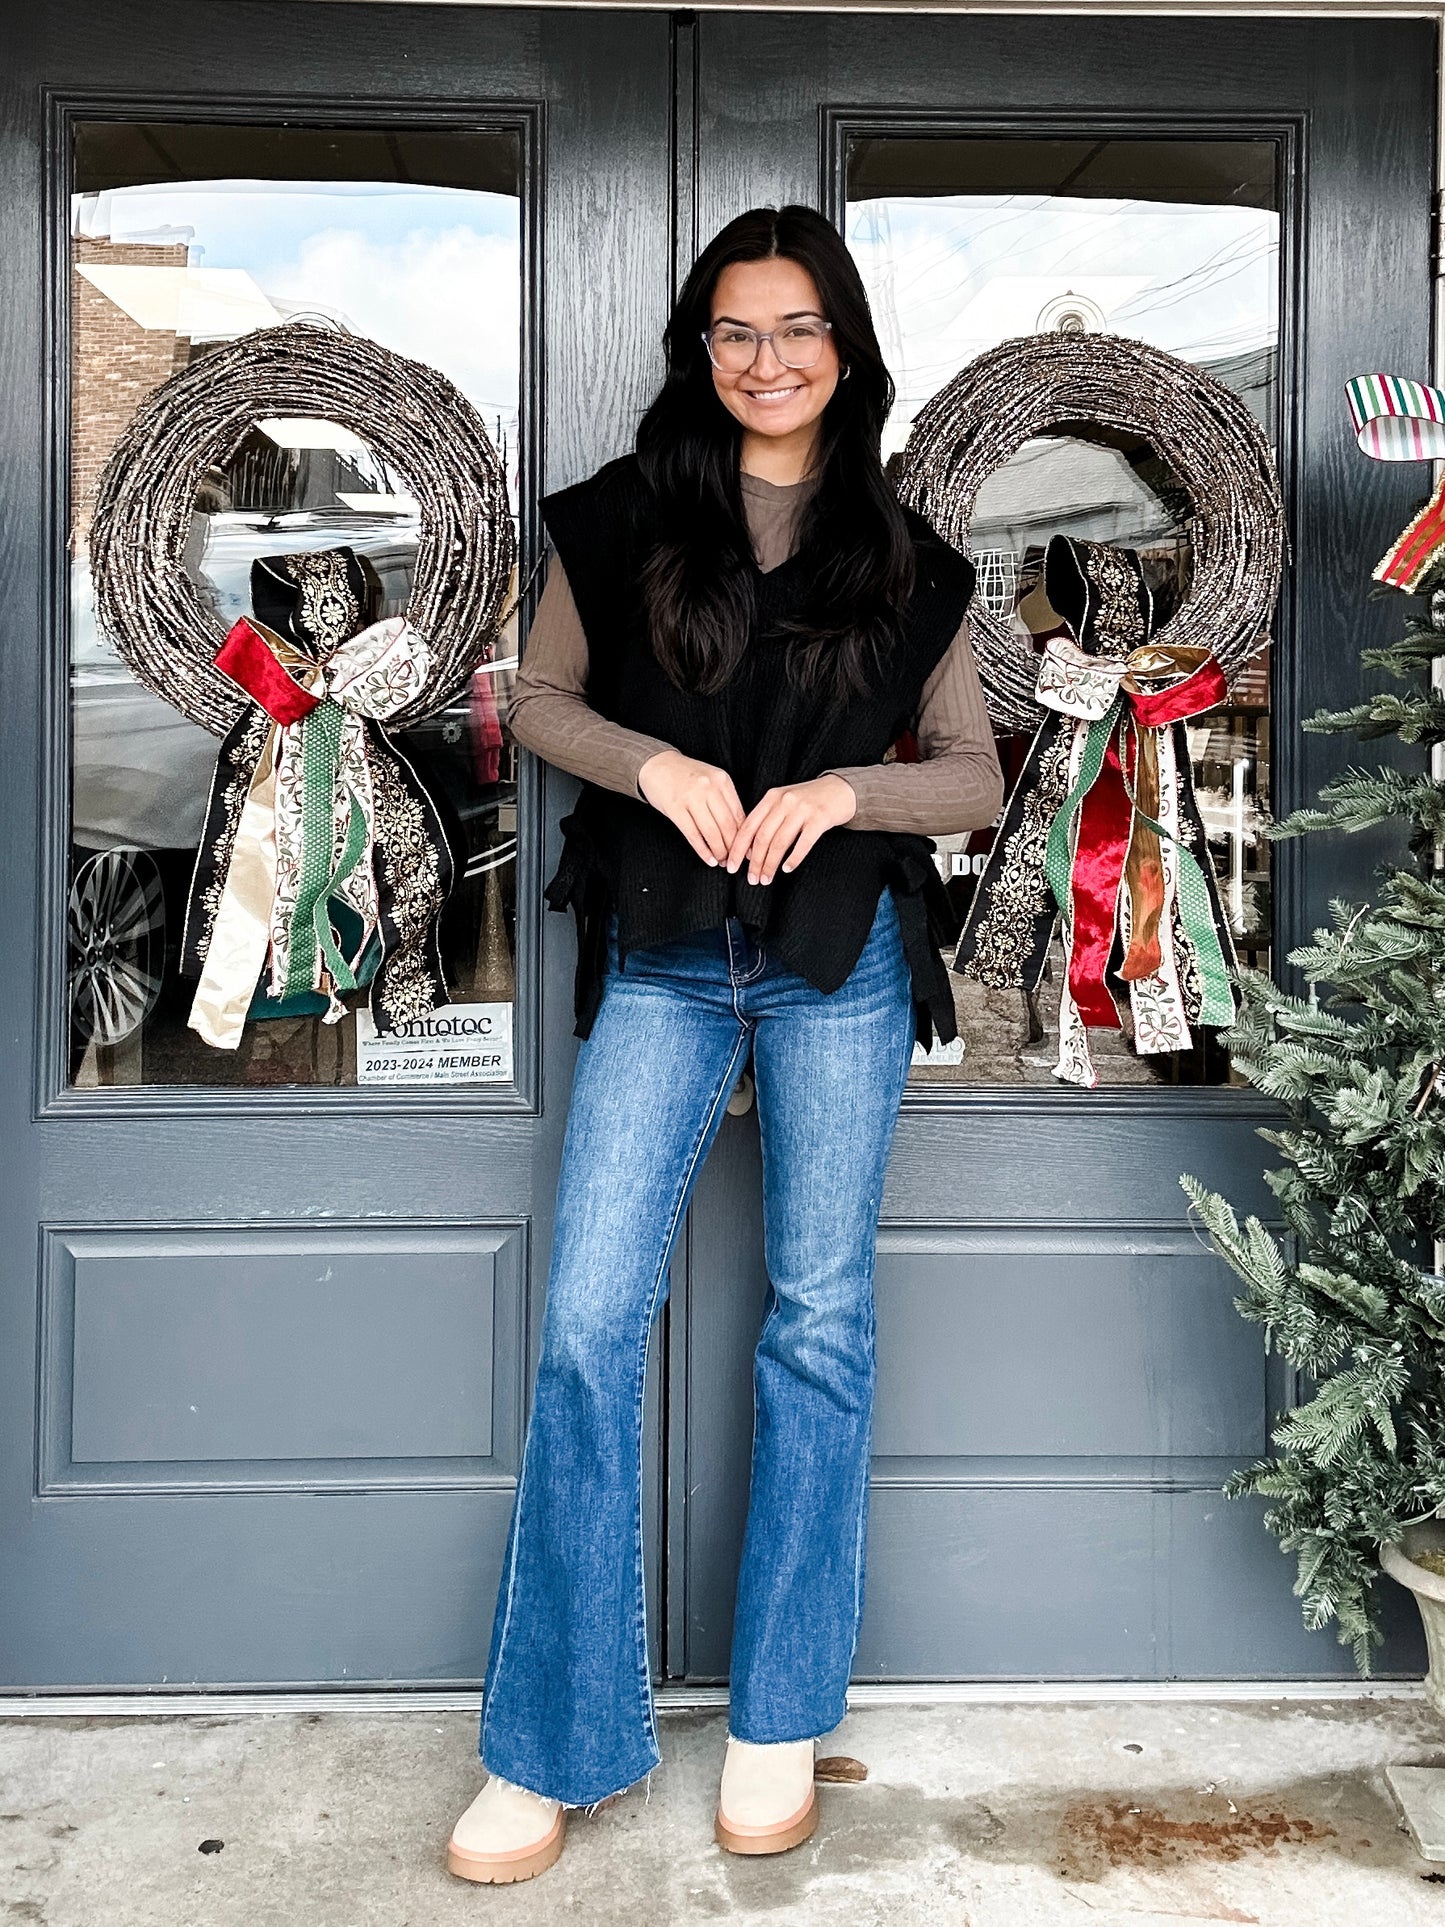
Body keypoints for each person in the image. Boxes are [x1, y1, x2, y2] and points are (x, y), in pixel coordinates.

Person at [446, 204, 1003, 1885]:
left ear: (848, 348)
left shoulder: (910, 556)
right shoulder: (619, 522)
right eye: (737, 331)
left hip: (839, 963)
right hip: (670, 962)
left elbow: (973, 776)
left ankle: (778, 1714)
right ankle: (553, 1743)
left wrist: (844, 790)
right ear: (703, 349)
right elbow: (532, 701)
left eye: (800, 329)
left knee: (818, 1326)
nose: (768, 361)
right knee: (587, 1319)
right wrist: (656, 772)